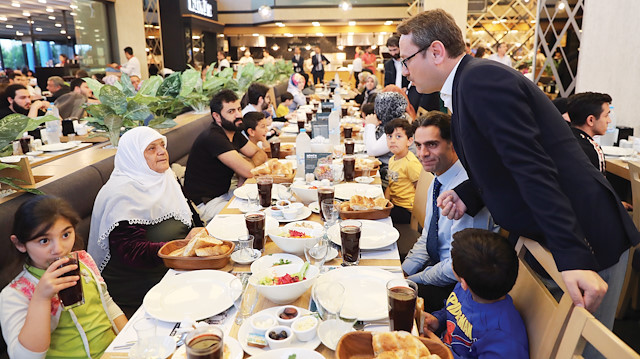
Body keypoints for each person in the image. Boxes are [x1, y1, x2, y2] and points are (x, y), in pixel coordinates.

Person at [397, 9, 639, 337]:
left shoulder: (481, 79)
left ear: (436, 52)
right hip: (552, 232)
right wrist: (468, 193)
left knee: (587, 345)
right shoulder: (466, 83)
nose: (404, 70)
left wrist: (572, 255)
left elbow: (531, 165)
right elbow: (498, 159)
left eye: (406, 59)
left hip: (584, 233)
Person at [88, 127, 197, 316]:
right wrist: (182, 247)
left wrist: (198, 233)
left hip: (176, 266)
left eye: (162, 145)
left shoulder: (165, 177)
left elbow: (190, 214)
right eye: (151, 148)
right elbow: (131, 253)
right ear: (134, 156)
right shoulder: (120, 193)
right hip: (141, 287)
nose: (162, 151)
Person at [1, 196, 127, 358]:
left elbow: (107, 304)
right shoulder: (15, 295)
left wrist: (131, 340)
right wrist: (41, 299)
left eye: (66, 234)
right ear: (20, 244)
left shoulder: (83, 260)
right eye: (44, 240)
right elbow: (23, 356)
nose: (59, 249)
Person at [402, 112, 494, 312]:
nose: (422, 153)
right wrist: (404, 270)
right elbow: (427, 237)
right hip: (434, 268)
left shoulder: (466, 194)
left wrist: (413, 280)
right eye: (418, 145)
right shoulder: (438, 177)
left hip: (456, 288)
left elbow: (458, 267)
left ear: (453, 143)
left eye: (432, 144)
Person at [421, 228, 528, 358]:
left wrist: (443, 352)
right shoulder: (470, 289)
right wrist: (438, 320)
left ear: (464, 282)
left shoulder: (504, 340)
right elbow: (452, 309)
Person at [183, 89, 268, 222]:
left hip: (224, 194)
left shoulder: (233, 131)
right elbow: (250, 171)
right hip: (206, 204)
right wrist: (245, 170)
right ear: (216, 116)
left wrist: (246, 169)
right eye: (231, 111)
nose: (238, 115)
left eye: (239, 109)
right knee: (253, 217)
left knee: (265, 203)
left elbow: (260, 153)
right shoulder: (214, 137)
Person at [363, 92, 408, 188]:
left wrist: (370, 125)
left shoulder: (397, 127)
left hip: (390, 176)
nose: (375, 111)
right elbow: (366, 145)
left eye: (378, 107)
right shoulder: (388, 121)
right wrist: (370, 125)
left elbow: (371, 151)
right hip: (382, 169)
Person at [384, 118, 422, 224]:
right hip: (395, 204)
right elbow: (390, 185)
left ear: (409, 141)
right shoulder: (392, 159)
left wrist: (417, 216)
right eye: (389, 136)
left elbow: (421, 191)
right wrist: (385, 203)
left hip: (407, 210)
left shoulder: (411, 163)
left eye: (398, 136)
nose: (392, 140)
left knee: (374, 215)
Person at [567, 92, 612, 174]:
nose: (609, 121)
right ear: (590, 120)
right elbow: (599, 185)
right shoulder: (592, 149)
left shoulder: (564, 137)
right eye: (606, 116)